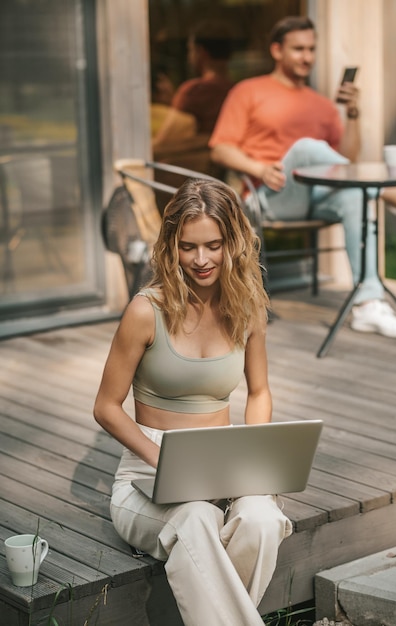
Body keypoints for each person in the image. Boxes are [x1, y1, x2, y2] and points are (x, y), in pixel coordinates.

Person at [94, 178, 292, 626]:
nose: (201, 260)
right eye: (188, 247)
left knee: (261, 519)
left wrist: (257, 456)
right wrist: (162, 459)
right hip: (145, 474)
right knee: (197, 520)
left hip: (222, 464)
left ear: (233, 243)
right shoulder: (147, 311)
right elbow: (106, 406)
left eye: (213, 245)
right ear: (171, 246)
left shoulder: (248, 308)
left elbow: (259, 392)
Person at [210, 15, 396, 339]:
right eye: (298, 49)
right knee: (307, 148)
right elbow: (220, 149)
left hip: (316, 198)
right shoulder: (248, 91)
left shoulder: (322, 105)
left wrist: (353, 114)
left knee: (352, 194)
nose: (307, 57)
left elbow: (345, 162)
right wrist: (258, 168)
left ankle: (368, 306)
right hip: (271, 195)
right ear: (276, 51)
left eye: (311, 49)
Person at [153, 20, 234, 148]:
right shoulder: (239, 90)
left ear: (200, 52)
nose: (189, 57)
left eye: (190, 50)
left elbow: (165, 141)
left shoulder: (194, 91)